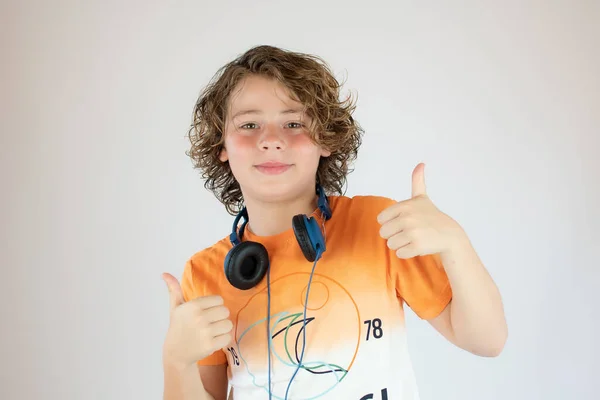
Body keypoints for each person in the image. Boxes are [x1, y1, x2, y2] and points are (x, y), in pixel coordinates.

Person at [161, 45, 507, 400]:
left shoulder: (378, 226)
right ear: (222, 146)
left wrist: (455, 243)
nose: (270, 141)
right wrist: (176, 360)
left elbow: (488, 340)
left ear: (324, 139)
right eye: (249, 124)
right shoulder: (204, 273)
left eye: (293, 123)